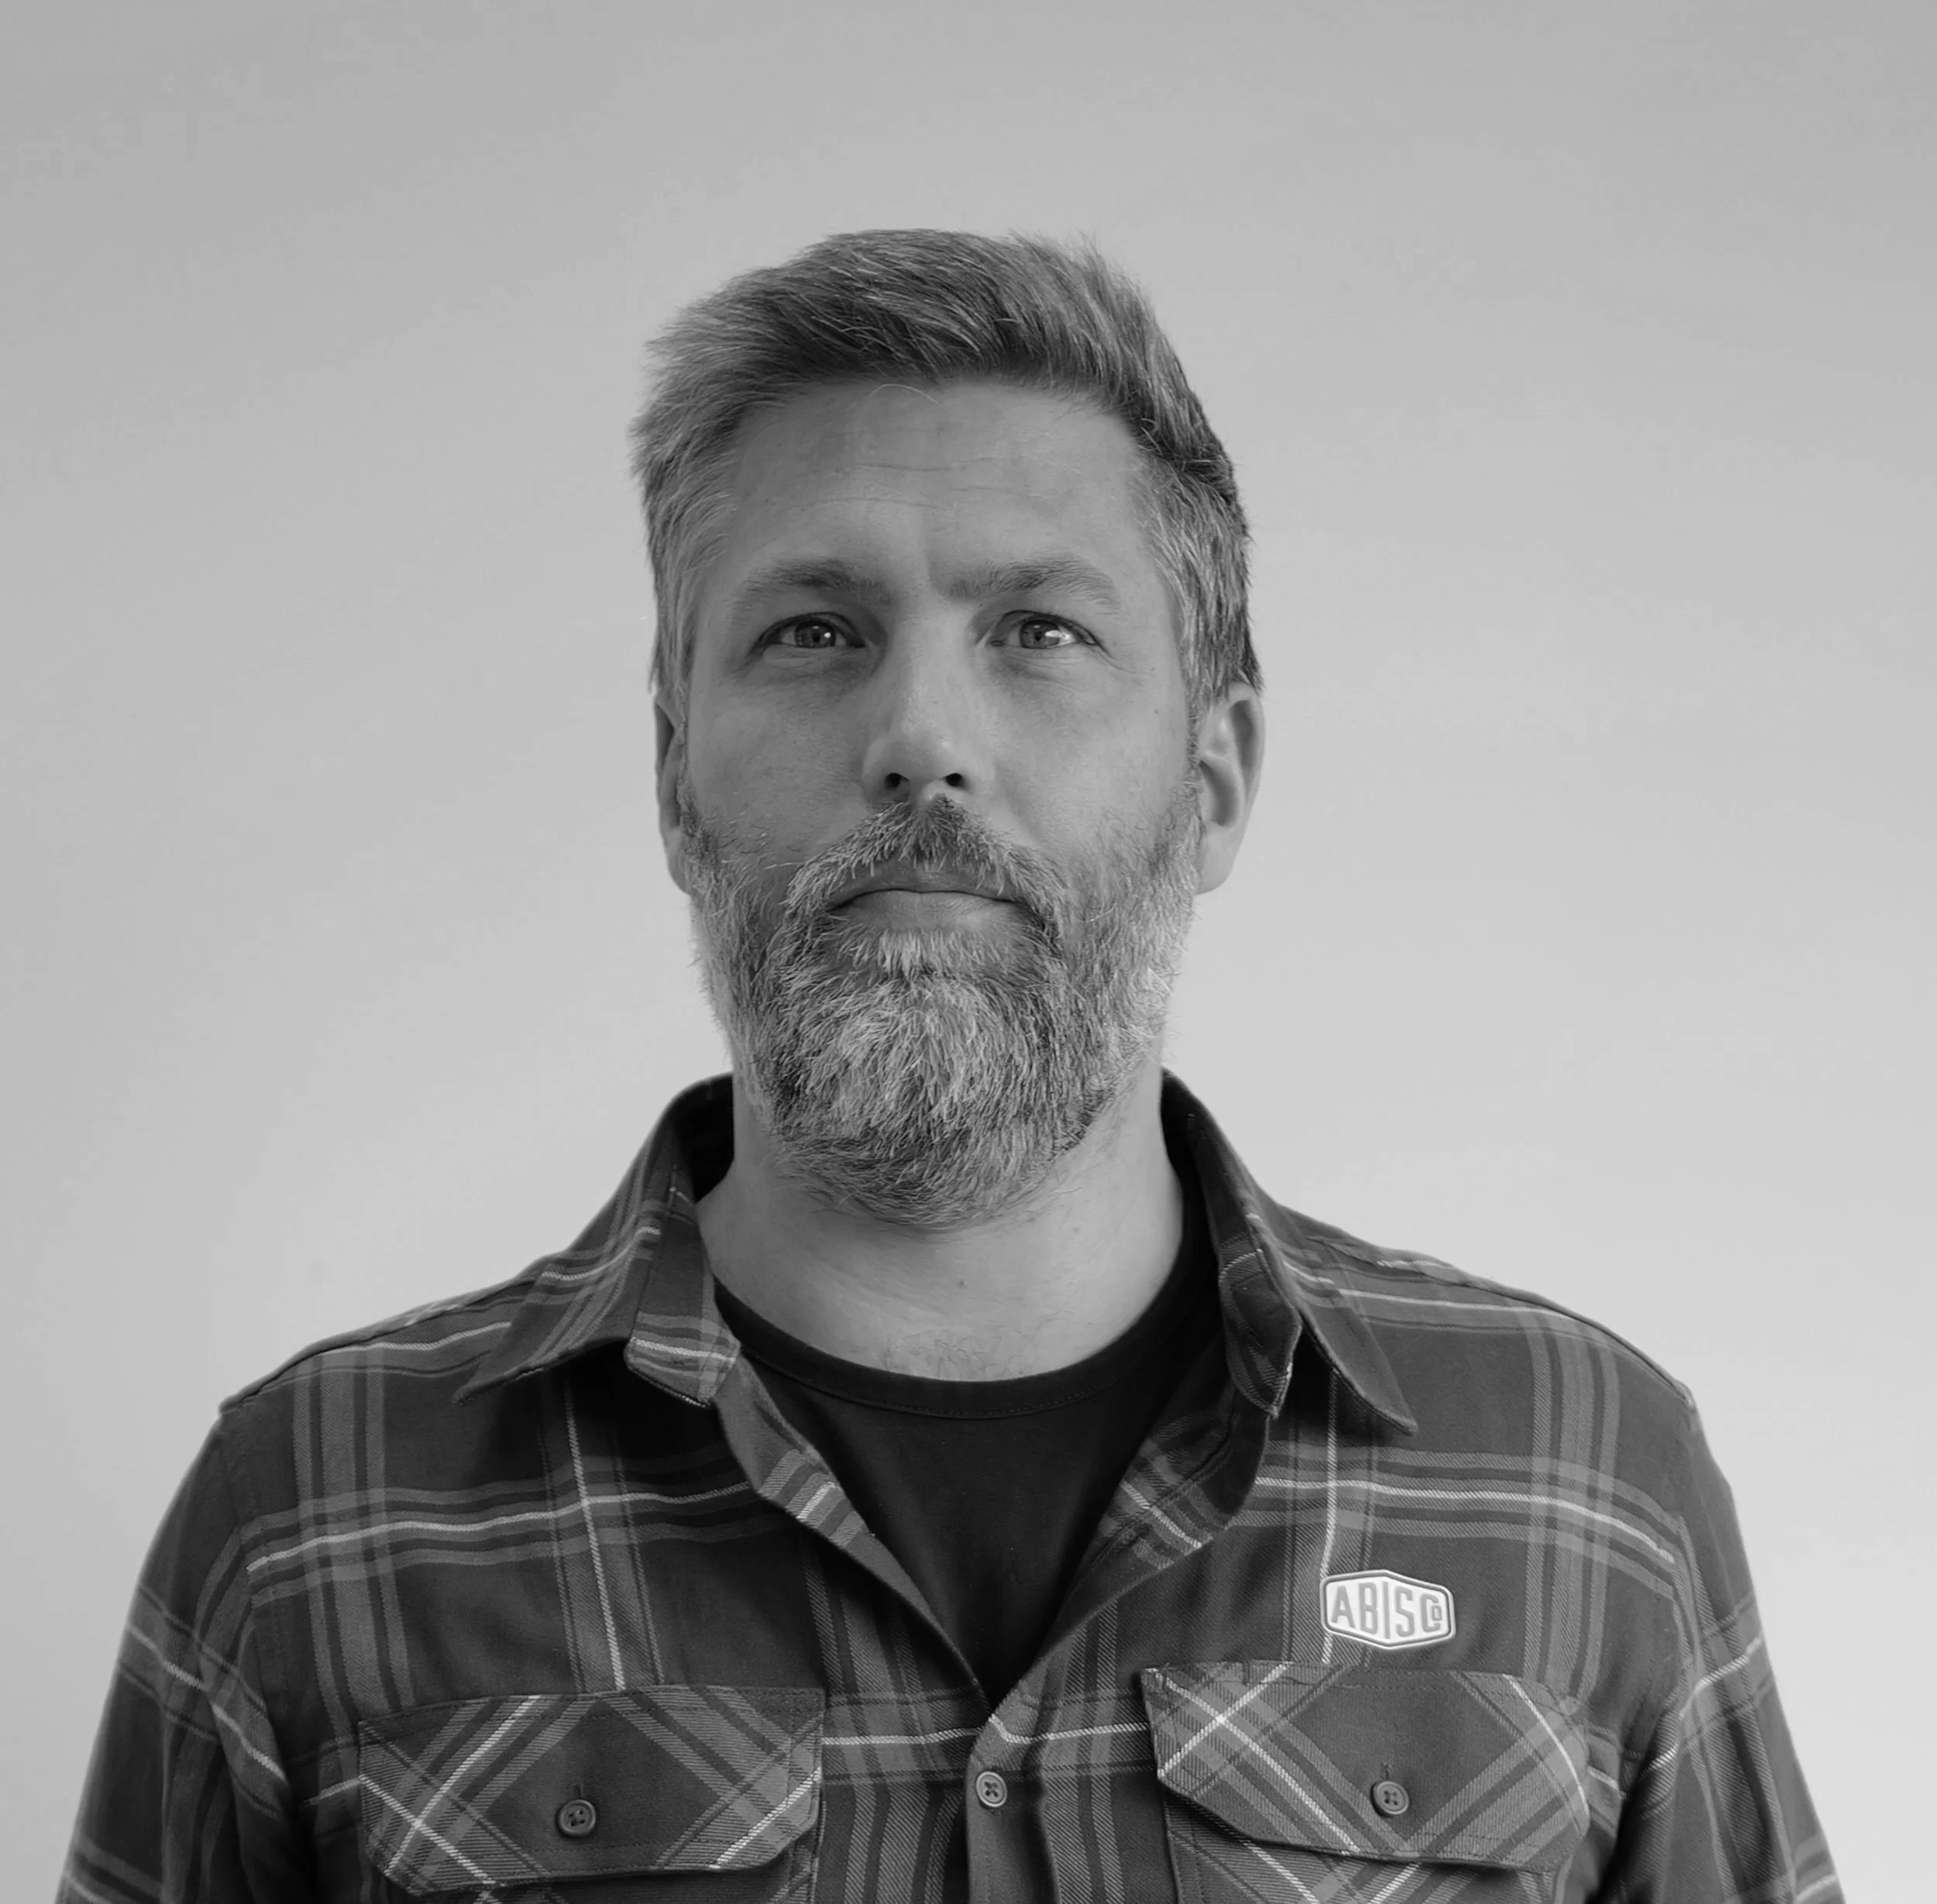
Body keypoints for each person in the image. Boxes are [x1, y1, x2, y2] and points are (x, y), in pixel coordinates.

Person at [62, 230, 1839, 1904]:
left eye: (1037, 632)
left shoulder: (1583, 1478)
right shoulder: (310, 1515)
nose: (920, 738)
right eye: (814, 630)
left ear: (1213, 778)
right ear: (676, 777)